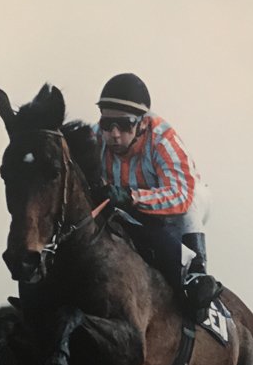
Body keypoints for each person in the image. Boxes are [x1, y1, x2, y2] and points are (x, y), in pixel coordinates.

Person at [91, 73, 221, 321]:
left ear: (142, 123)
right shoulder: (95, 136)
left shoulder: (163, 140)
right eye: (107, 124)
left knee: (190, 204)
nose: (114, 134)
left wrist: (132, 197)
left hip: (180, 207)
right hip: (131, 207)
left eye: (125, 125)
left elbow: (181, 196)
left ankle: (195, 275)